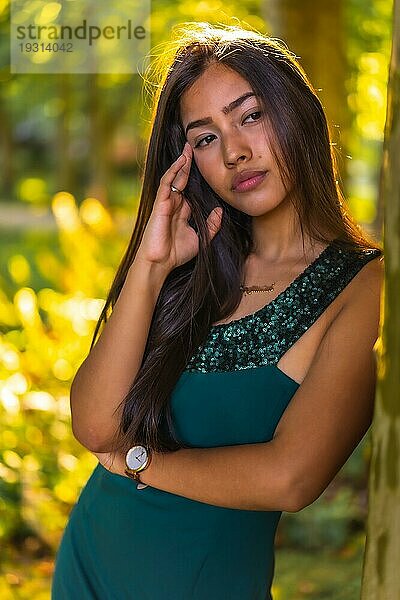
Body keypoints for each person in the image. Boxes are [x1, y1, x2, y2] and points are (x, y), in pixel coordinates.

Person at [51, 22, 384, 600]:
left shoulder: (365, 283)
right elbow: (94, 424)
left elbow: (291, 477)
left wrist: (138, 463)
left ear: (296, 112)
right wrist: (151, 267)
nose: (234, 152)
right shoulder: (192, 268)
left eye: (250, 115)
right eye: (204, 138)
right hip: (90, 568)